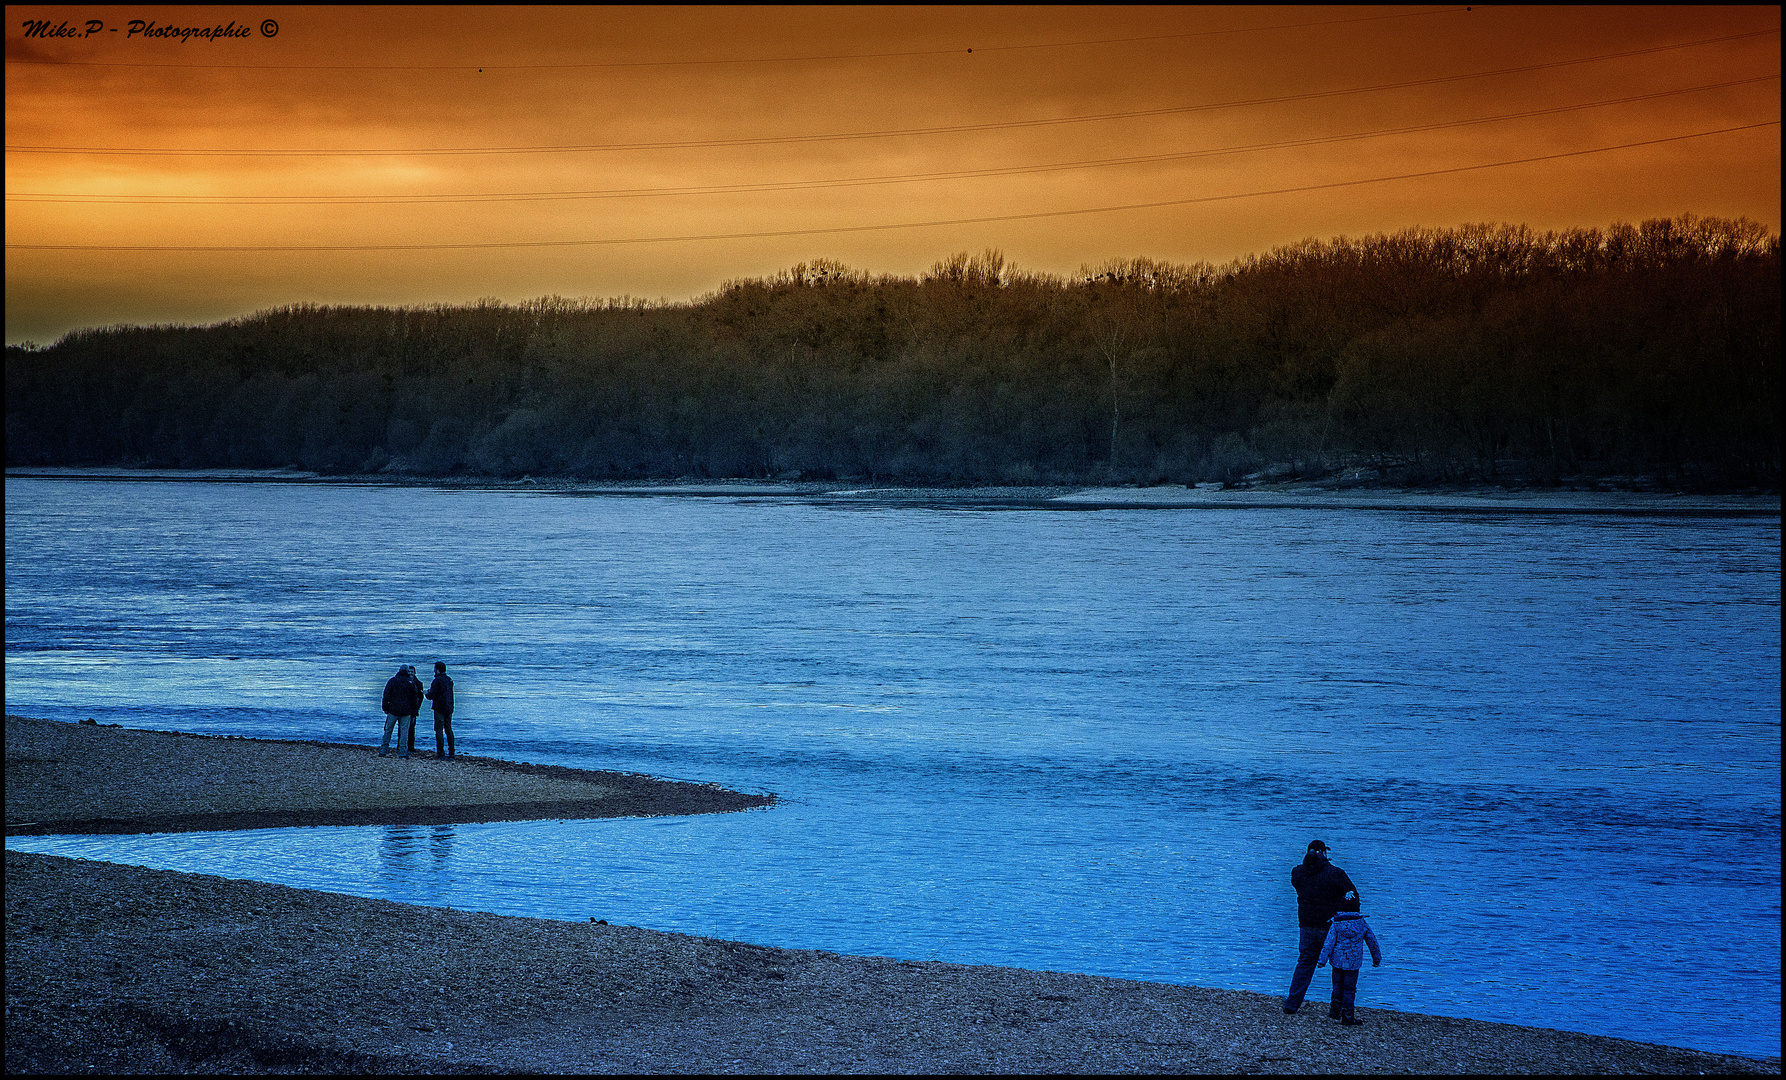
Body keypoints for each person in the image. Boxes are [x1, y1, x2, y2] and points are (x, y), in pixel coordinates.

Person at [1283, 839, 1359, 1014]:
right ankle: (1336, 1006)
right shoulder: (1335, 873)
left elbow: (1298, 879)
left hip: (1306, 926)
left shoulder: (1298, 873)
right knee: (1339, 964)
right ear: (1324, 853)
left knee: (1305, 962)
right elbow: (1352, 895)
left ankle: (1291, 1004)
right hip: (1330, 926)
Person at [1317, 891, 1382, 1025]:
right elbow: (1372, 941)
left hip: (1337, 962)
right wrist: (1376, 958)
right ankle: (1347, 1015)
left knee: (1337, 985)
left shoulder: (1336, 923)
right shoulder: (1362, 923)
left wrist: (1322, 960)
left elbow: (1328, 943)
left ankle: (1335, 1011)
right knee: (1350, 989)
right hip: (1353, 963)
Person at [379, 665, 419, 758]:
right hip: (406, 711)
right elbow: (414, 699)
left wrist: (385, 707)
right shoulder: (410, 682)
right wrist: (414, 712)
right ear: (406, 672)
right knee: (404, 732)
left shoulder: (392, 681)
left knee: (388, 730)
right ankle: (402, 752)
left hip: (393, 709)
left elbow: (386, 695)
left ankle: (383, 750)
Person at [426, 661, 455, 760]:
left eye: (434, 669)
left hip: (439, 708)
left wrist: (426, 694)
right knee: (448, 729)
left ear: (437, 670)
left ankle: (441, 753)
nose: (434, 671)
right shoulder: (449, 680)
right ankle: (452, 751)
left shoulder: (436, 681)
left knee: (439, 730)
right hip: (449, 707)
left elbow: (431, 695)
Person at [404, 665, 425, 754]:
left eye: (412, 672)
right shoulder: (404, 682)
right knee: (403, 728)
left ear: (415, 673)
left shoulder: (419, 683)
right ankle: (402, 745)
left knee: (411, 728)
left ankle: (411, 747)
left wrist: (417, 709)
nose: (410, 673)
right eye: (409, 672)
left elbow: (420, 698)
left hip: (413, 709)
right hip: (404, 708)